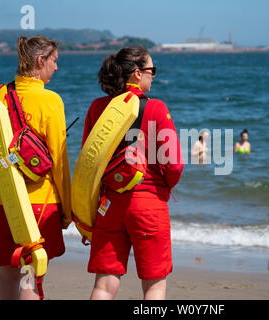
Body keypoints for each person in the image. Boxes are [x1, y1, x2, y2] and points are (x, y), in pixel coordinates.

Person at [82, 46, 184, 300]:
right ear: (137, 74)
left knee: (104, 285)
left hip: (109, 205)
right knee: (154, 285)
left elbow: (88, 163)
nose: (154, 76)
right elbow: (174, 164)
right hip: (148, 205)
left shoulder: (97, 107)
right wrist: (165, 187)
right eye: (152, 70)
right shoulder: (157, 108)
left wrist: (85, 209)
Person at [0, 36, 72, 299]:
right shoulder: (50, 100)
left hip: (1, 201)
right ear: (40, 60)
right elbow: (59, 162)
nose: (56, 68)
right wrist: (67, 208)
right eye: (54, 61)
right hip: (38, 203)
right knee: (31, 274)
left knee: (7, 275)